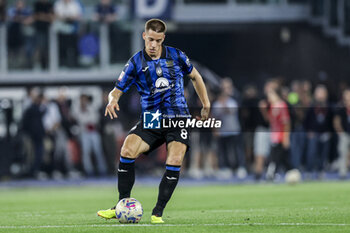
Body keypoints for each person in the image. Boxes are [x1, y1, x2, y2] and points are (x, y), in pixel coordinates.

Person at [97, 19, 210, 223]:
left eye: (158, 40)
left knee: (174, 160)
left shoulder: (177, 55)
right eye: (150, 39)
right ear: (144, 36)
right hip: (152, 118)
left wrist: (206, 103)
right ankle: (122, 205)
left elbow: (196, 77)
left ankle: (157, 212)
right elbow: (117, 89)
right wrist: (112, 100)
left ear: (163, 38)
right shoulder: (135, 62)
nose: (153, 45)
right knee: (127, 150)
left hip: (178, 117)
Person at [33, 0, 54, 69]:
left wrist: (41, 16)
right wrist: (46, 16)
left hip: (49, 31)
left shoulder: (50, 5)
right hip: (39, 30)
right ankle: (37, 65)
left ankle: (47, 65)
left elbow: (52, 18)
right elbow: (35, 16)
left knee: (47, 49)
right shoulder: (37, 4)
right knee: (39, 47)